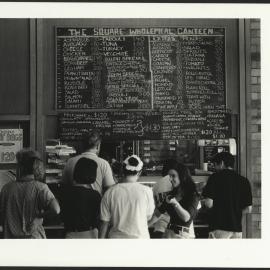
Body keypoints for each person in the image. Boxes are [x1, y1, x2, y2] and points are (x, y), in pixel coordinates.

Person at [0, 149, 60, 238]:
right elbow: (56, 209)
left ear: (20, 167)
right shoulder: (40, 187)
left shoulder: (6, 188)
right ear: (37, 167)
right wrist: (39, 216)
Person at [99, 155, 155, 238]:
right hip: (140, 241)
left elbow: (104, 222)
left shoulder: (110, 192)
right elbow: (148, 215)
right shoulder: (147, 191)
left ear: (123, 171)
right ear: (139, 172)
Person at [202, 152, 252, 238]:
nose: (214, 168)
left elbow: (208, 204)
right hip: (237, 230)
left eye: (215, 165)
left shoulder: (214, 178)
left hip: (218, 227)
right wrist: (234, 212)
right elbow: (248, 209)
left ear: (221, 163)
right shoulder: (244, 181)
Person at [148, 162, 200, 239]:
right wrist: (145, 226)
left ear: (182, 177)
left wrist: (176, 204)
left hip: (181, 235)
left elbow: (186, 218)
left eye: (173, 176)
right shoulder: (171, 195)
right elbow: (158, 213)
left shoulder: (192, 195)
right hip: (168, 233)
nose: (170, 179)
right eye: (170, 176)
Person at [62, 130, 115, 195]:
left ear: (82, 145)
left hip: (74, 203)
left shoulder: (70, 161)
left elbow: (64, 185)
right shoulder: (104, 164)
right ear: (98, 146)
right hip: (96, 203)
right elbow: (109, 189)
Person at [60, 158, 101, 238]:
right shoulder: (95, 195)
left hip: (70, 234)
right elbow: (99, 218)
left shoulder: (65, 193)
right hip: (91, 234)